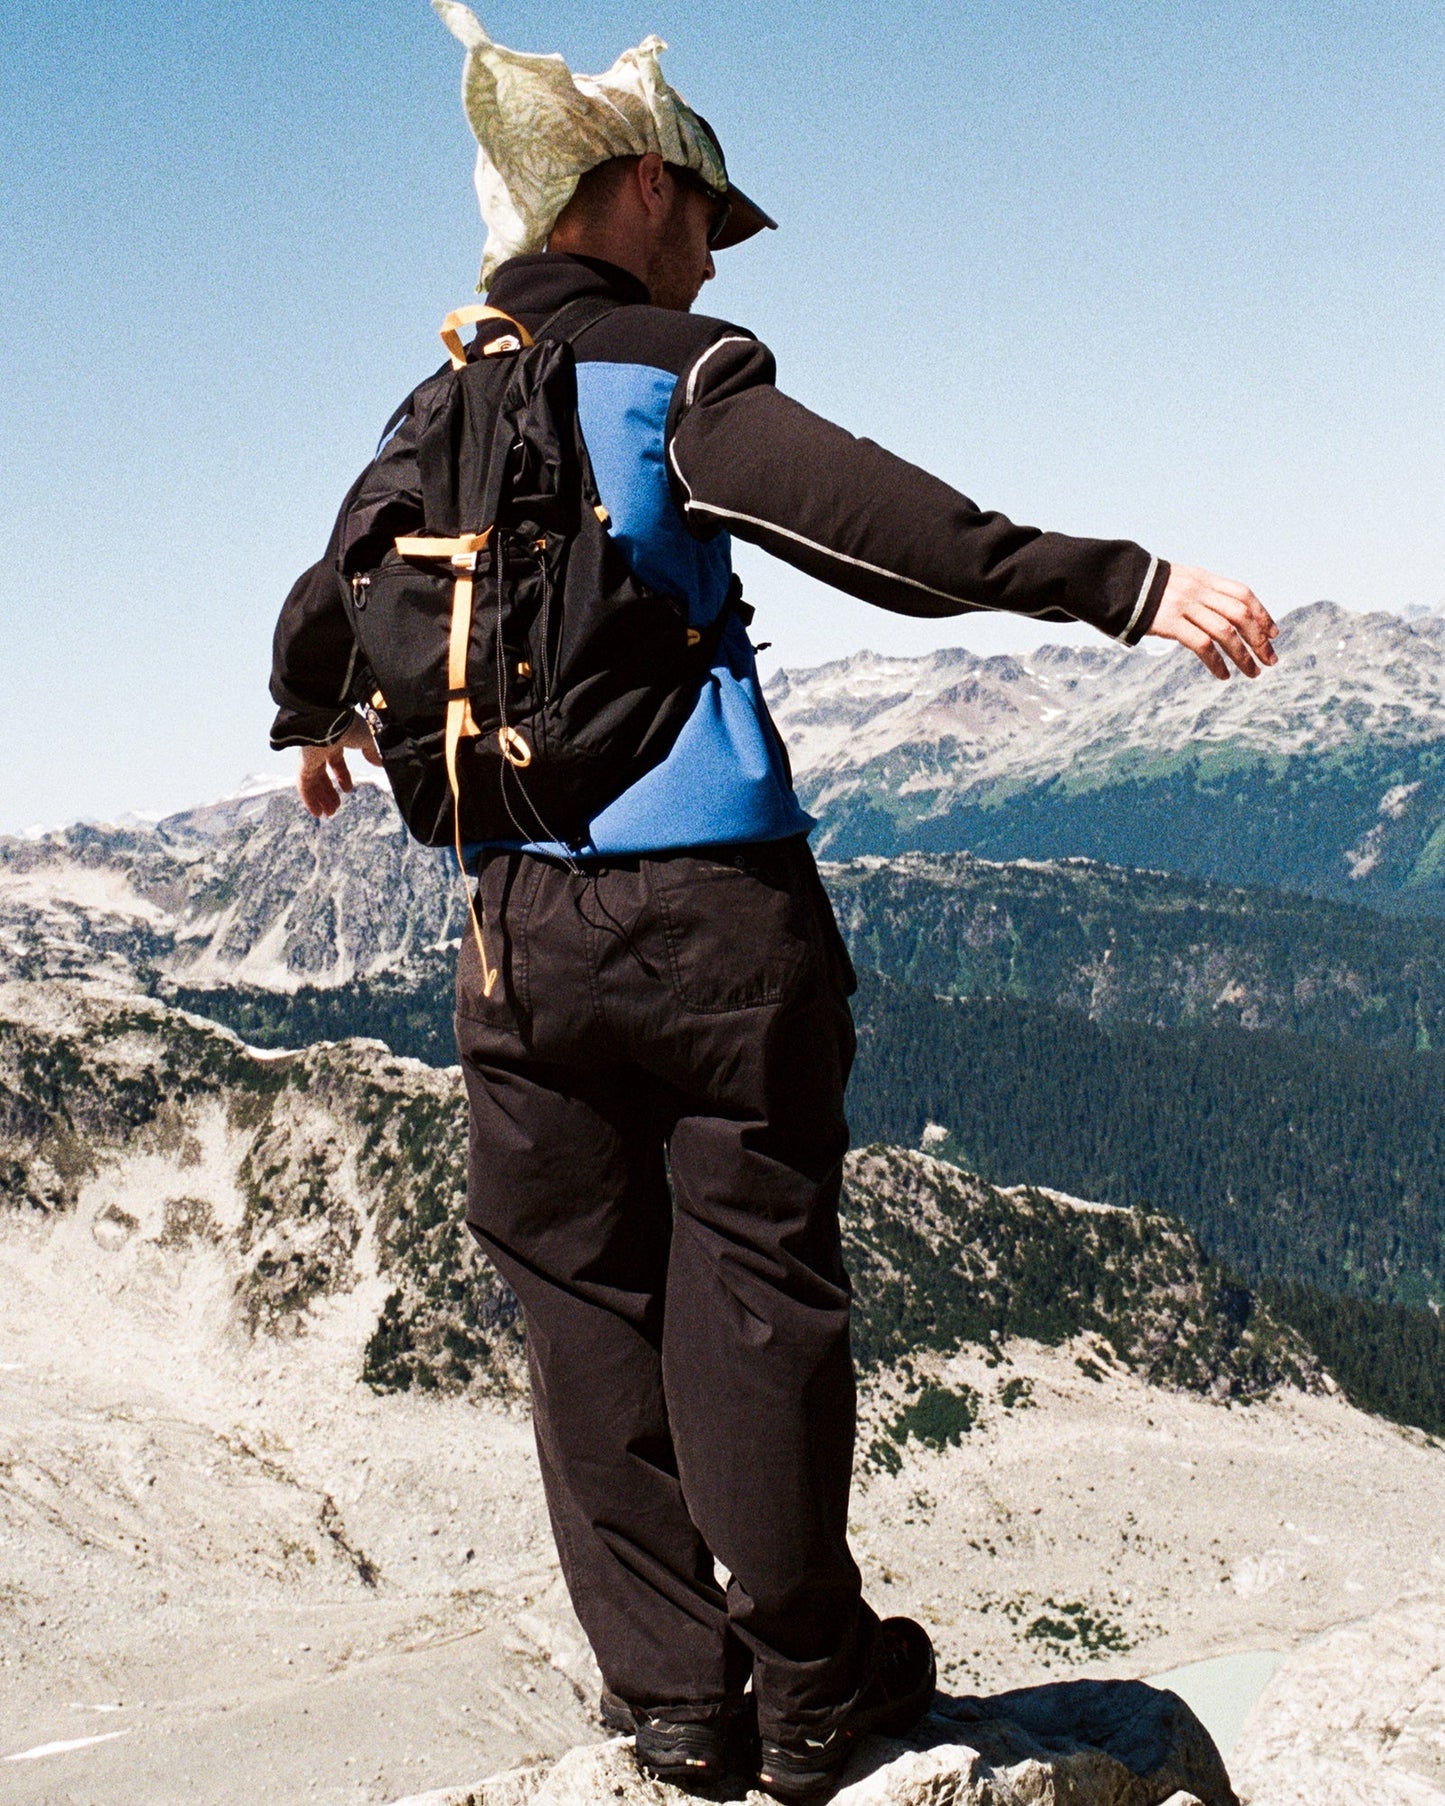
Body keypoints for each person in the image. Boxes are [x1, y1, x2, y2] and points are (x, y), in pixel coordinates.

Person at [270, 11, 1278, 1799]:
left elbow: (320, 603)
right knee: (750, 1280)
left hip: (511, 934)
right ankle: (815, 1688)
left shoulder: (435, 404)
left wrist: (313, 725)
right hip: (711, 916)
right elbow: (874, 524)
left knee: (580, 1302)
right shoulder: (669, 372)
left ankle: (674, 1699)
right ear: (640, 189)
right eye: (708, 217)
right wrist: (1121, 585)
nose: (717, 256)